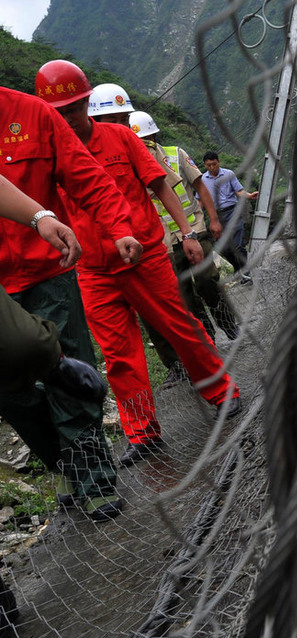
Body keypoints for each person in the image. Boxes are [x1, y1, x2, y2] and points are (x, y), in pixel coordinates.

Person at [35, 60, 242, 467]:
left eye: (74, 109)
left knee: (179, 326)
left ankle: (221, 391)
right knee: (118, 352)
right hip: (94, 270)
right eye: (57, 114)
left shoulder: (121, 139)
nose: (68, 120)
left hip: (144, 258)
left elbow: (160, 185)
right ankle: (142, 431)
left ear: (87, 104)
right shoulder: (50, 157)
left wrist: (187, 233)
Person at [0, 80, 142, 520]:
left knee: (66, 369)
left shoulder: (32, 114)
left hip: (47, 269)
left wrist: (119, 226)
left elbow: (87, 177)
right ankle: (64, 460)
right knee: (12, 392)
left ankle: (95, 477)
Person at [128, 110, 240, 379]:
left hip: (194, 229)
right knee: (185, 297)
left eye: (147, 140)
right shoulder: (130, 165)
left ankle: (228, 325)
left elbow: (200, 187)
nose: (145, 145)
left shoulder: (175, 155)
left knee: (207, 282)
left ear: (154, 135)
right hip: (165, 241)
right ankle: (208, 340)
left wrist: (213, 220)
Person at [201, 151, 258, 283]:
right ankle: (239, 269)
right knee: (224, 249)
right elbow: (201, 200)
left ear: (218, 162)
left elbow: (239, 191)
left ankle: (246, 274)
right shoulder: (202, 179)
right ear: (205, 165)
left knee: (238, 245)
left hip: (233, 212)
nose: (211, 168)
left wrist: (249, 196)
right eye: (208, 165)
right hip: (216, 217)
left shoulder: (228, 174)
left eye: (214, 164)